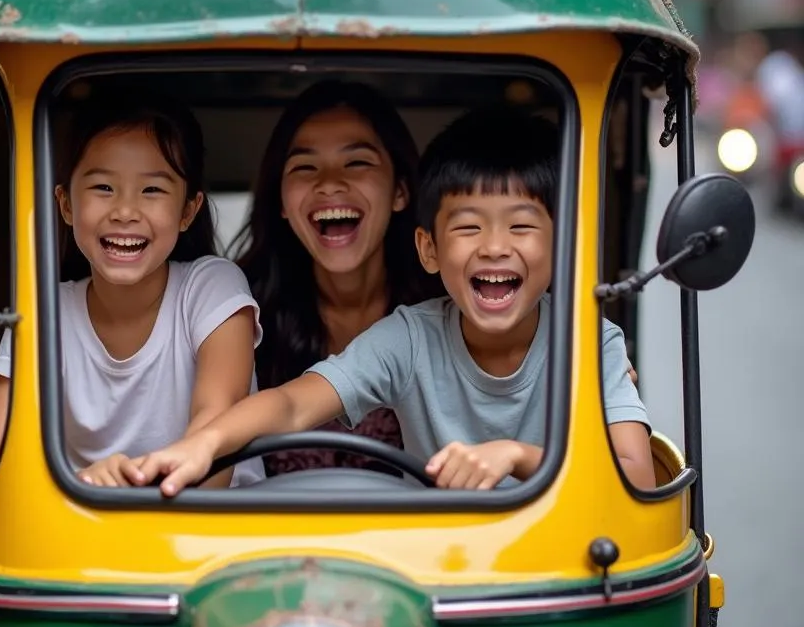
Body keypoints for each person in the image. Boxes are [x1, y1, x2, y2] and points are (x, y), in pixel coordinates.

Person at [129, 105, 655, 496]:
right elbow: (293, 403)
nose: (495, 246)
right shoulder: (410, 336)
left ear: (565, 245)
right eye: (469, 227)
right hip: (429, 564)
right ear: (429, 249)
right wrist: (205, 442)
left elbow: (633, 475)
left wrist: (518, 458)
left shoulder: (590, 342)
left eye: (521, 225)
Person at [0, 95, 265, 489]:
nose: (124, 211)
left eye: (152, 190)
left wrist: (121, 489)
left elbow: (215, 435)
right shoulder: (46, 312)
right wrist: (80, 484)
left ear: (188, 212)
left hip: (217, 536)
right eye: (104, 187)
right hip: (88, 539)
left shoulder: (211, 287)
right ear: (66, 205)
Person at [234, 80, 440, 475]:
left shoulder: (452, 312)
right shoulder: (240, 317)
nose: (329, 182)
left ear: (400, 191)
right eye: (304, 166)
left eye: (357, 162)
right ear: (280, 201)